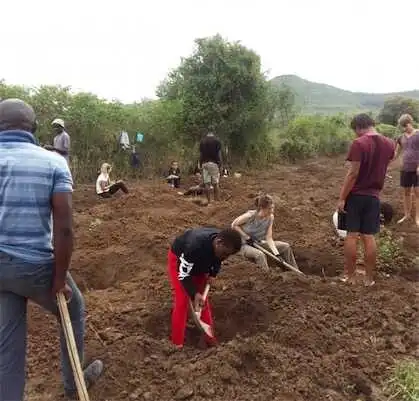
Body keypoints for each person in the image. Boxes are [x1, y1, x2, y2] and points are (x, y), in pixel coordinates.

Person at [0, 99, 103, 401]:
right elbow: (65, 228)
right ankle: (74, 385)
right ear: (33, 129)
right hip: (33, 266)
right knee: (73, 309)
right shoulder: (52, 162)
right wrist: (59, 277)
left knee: (7, 344)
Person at [337, 113, 395, 287]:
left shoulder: (359, 143)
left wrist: (342, 198)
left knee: (352, 235)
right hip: (374, 196)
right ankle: (369, 279)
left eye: (355, 131)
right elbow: (386, 163)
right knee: (369, 236)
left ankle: (350, 276)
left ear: (358, 127)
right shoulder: (389, 144)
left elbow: (353, 173)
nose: (355, 134)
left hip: (356, 195)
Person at [167, 227, 242, 348]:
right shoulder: (194, 246)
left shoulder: (221, 244)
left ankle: (210, 339)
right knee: (182, 301)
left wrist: (213, 274)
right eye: (225, 254)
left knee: (202, 302)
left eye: (228, 255)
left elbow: (218, 260)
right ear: (218, 243)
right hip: (180, 263)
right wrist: (194, 293)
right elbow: (183, 274)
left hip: (201, 265)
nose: (225, 257)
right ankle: (177, 344)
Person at [231, 194, 299, 271]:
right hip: (242, 245)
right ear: (261, 208)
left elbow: (269, 238)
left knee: (285, 246)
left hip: (258, 243)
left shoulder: (270, 217)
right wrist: (246, 237)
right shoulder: (250, 216)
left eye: (273, 208)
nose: (272, 210)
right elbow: (233, 225)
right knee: (260, 255)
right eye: (269, 208)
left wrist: (277, 254)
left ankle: (295, 272)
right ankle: (267, 276)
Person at [393, 114, 419, 226]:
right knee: (406, 192)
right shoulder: (400, 137)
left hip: (417, 168)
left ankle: (417, 217)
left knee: (417, 192)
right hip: (405, 168)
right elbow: (396, 153)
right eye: (402, 126)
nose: (404, 128)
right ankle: (407, 215)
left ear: (410, 123)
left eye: (405, 125)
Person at [199, 132, 222, 203]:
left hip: (204, 164)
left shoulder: (202, 141)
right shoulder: (217, 141)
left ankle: (208, 201)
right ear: (213, 134)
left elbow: (201, 154)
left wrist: (200, 163)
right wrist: (220, 163)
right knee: (215, 183)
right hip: (213, 164)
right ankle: (217, 200)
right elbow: (218, 153)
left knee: (207, 183)